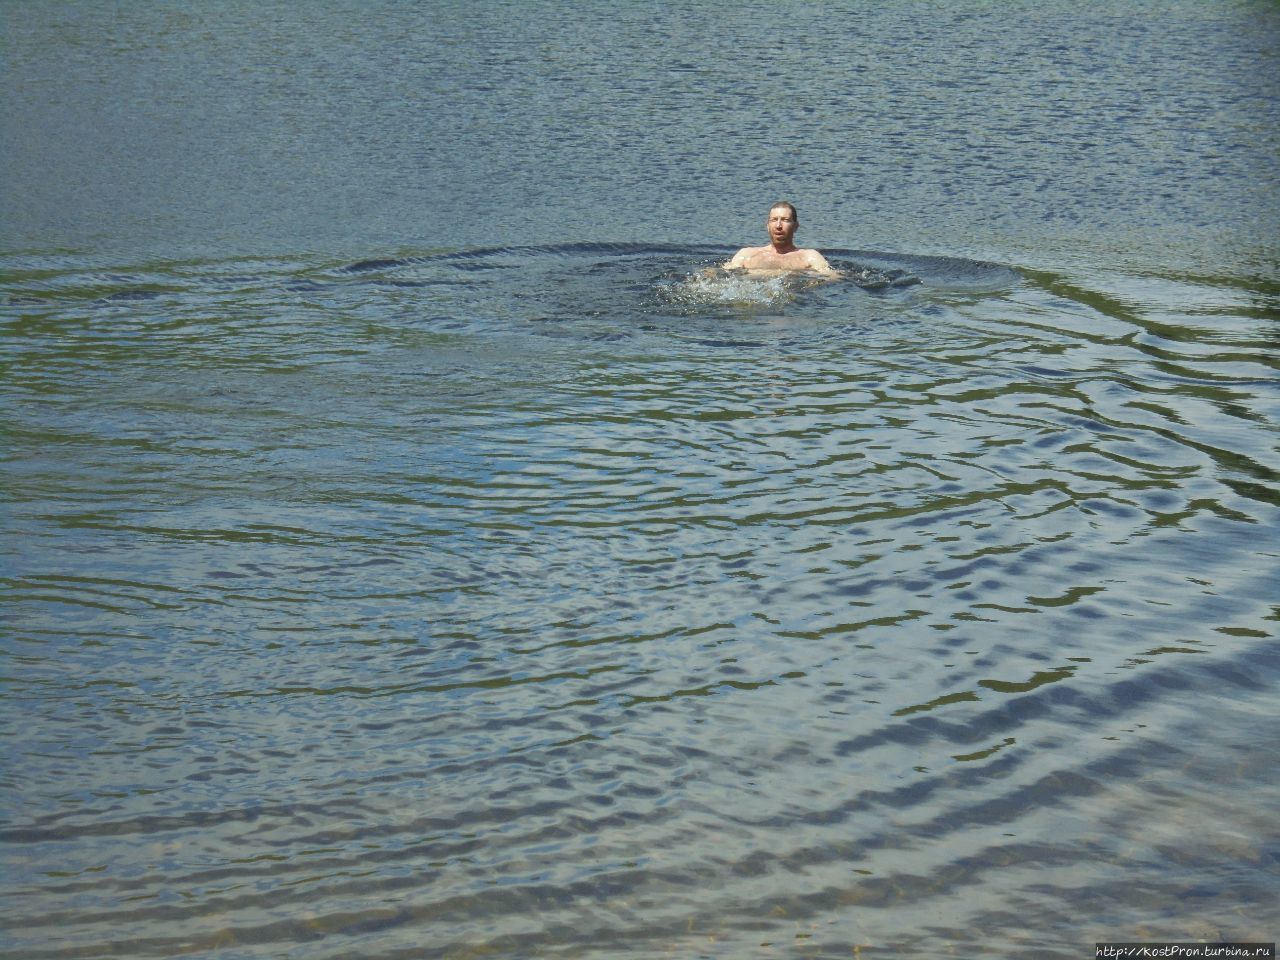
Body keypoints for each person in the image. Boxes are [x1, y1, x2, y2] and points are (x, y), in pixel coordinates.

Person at [723, 201, 840, 277]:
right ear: (767, 226)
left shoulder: (809, 257)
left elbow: (831, 277)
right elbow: (725, 274)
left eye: (785, 220)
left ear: (796, 226)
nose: (778, 226)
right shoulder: (747, 254)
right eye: (774, 220)